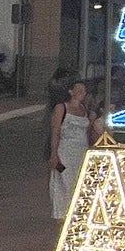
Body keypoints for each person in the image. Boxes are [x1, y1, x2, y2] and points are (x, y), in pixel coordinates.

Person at [49, 78, 97, 223]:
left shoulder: (84, 109)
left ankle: (77, 212)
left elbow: (87, 131)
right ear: (71, 91)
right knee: (64, 182)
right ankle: (62, 213)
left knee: (79, 181)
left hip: (81, 151)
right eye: (79, 90)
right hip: (65, 150)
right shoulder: (61, 108)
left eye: (84, 90)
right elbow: (56, 131)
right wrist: (54, 154)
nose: (82, 93)